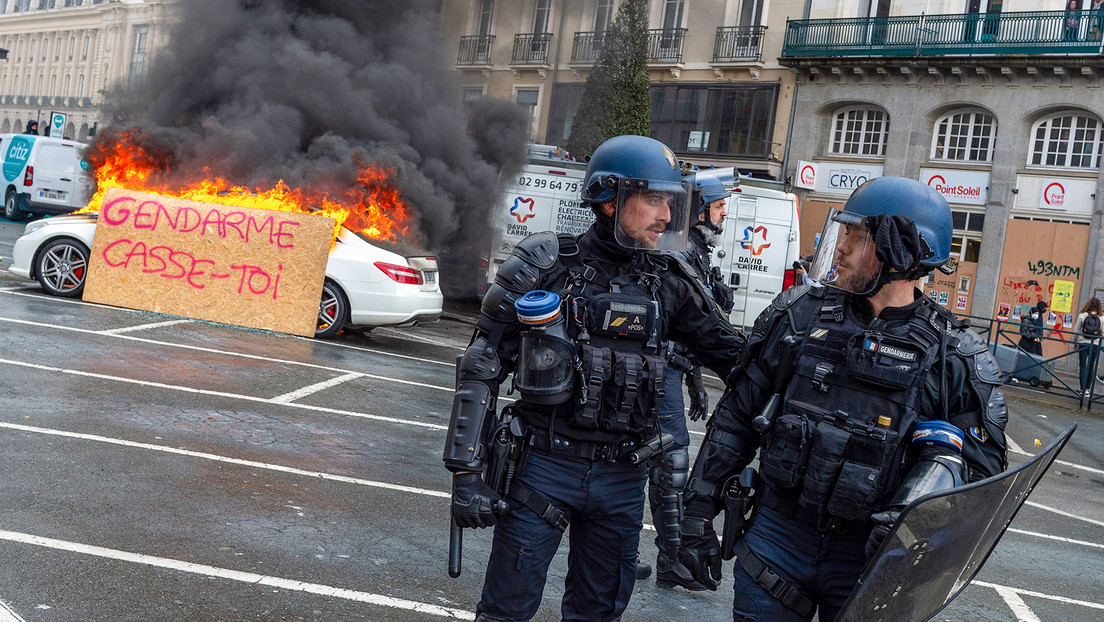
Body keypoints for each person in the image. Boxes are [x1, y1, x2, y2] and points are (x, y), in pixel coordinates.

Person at [677, 176, 1008, 621]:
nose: (840, 249)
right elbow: (736, 418)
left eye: (858, 237)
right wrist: (698, 513)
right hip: (777, 537)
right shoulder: (798, 316)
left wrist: (915, 524)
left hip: (870, 560)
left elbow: (982, 477)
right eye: (844, 233)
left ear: (900, 253)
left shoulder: (954, 357)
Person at [443, 135, 746, 622]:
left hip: (624, 478)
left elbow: (743, 365)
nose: (668, 215)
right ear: (608, 199)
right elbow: (481, 364)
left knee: (598, 614)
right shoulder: (545, 265)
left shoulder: (668, 278)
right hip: (542, 466)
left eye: (671, 201)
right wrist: (465, 473)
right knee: (505, 610)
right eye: (653, 199)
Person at [639, 170, 735, 591]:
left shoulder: (695, 253)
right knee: (669, 464)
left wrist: (695, 379)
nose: (723, 217)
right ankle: (670, 560)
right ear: (698, 212)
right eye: (718, 208)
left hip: (671, 373)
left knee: (654, 464)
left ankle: (638, 554)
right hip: (658, 377)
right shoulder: (676, 254)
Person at [1073, 297, 1103, 396]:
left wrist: (1075, 342)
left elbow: (1076, 331)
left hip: (1083, 343)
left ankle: (1082, 389)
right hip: (1094, 344)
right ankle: (1087, 390)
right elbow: (1103, 333)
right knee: (1091, 366)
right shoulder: (1102, 317)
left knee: (1082, 365)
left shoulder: (1082, 315)